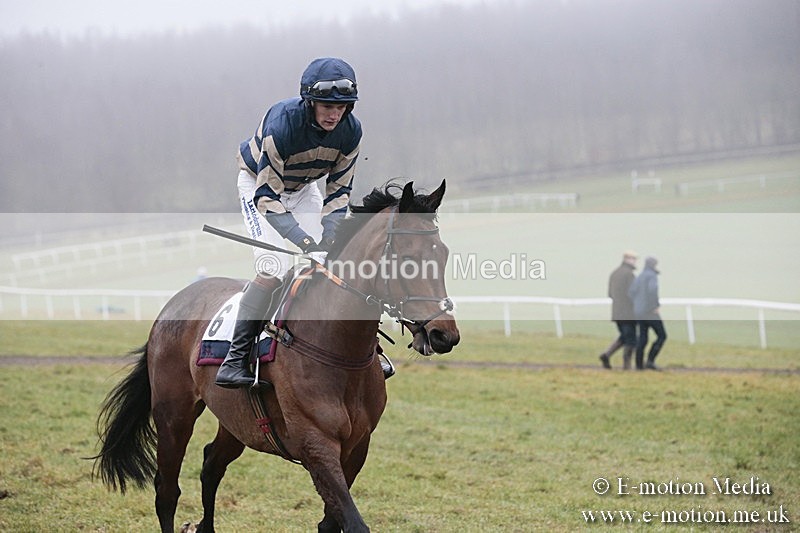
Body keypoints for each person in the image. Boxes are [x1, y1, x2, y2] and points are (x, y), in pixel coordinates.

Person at [216, 57, 362, 388]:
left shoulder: (351, 132)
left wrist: (328, 240)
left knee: (326, 264)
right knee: (274, 266)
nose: (334, 115)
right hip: (259, 187)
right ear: (310, 102)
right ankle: (234, 359)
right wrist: (306, 242)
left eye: (342, 107)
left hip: (304, 188)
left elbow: (339, 193)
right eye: (326, 105)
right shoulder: (281, 125)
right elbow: (268, 198)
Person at [599, 251, 638, 370]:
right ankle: (627, 366)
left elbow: (610, 294)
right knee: (631, 339)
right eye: (634, 259)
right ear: (628, 259)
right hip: (628, 313)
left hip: (616, 312)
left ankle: (607, 354)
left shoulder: (614, 273)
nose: (635, 262)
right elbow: (633, 294)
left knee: (624, 337)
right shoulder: (629, 275)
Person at [628, 256, 667, 370]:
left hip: (639, 312)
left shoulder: (640, 276)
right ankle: (650, 361)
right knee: (662, 335)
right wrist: (655, 306)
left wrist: (638, 304)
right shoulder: (652, 276)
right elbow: (652, 290)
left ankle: (639, 365)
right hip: (650, 312)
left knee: (643, 338)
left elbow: (631, 292)